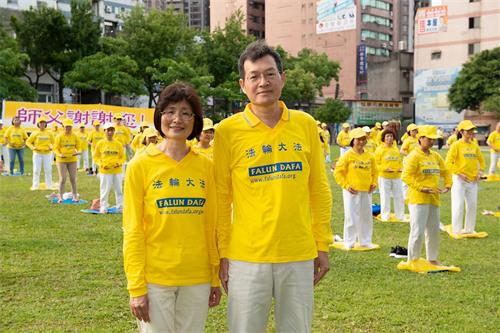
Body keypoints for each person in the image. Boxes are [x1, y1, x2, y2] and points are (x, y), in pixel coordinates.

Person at [214, 41, 332, 333]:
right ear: (243, 85)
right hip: (246, 256)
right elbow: (219, 197)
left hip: (298, 252)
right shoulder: (226, 132)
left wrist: (322, 244)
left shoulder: (305, 124)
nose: (263, 82)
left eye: (269, 74)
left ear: (283, 77)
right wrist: (220, 252)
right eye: (254, 76)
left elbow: (318, 188)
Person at [123, 83, 221, 332]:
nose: (177, 119)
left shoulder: (206, 167)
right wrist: (136, 287)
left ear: (195, 120)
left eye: (186, 113)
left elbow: (211, 226)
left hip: (196, 277)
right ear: (159, 116)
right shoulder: (140, 165)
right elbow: (133, 230)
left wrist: (213, 277)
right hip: (156, 278)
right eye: (170, 111)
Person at [402, 125, 451, 265]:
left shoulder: (435, 156)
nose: (431, 142)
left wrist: (448, 185)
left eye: (433, 140)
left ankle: (433, 258)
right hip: (418, 199)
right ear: (420, 138)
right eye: (429, 139)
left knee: (434, 230)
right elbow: (406, 176)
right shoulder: (414, 156)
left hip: (434, 197)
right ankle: (413, 259)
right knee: (417, 230)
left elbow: (446, 171)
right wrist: (421, 188)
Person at [334, 127, 378, 249]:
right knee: (351, 216)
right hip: (351, 191)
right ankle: (349, 241)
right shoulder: (347, 155)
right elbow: (338, 172)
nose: (361, 142)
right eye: (358, 139)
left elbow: (375, 172)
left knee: (366, 217)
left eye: (363, 139)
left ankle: (365, 241)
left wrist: (374, 183)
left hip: (366, 190)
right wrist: (346, 185)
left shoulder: (370, 156)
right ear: (353, 141)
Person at [445, 120, 485, 236]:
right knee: (458, 205)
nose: (471, 132)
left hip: (472, 181)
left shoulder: (474, 145)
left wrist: (480, 172)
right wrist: (459, 174)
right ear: (461, 132)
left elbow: (481, 160)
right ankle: (457, 230)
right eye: (468, 130)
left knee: (472, 205)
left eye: (472, 130)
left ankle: (469, 229)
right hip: (459, 180)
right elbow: (448, 162)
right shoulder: (456, 145)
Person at [93, 123, 125, 214]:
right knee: (104, 190)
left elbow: (122, 157)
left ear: (114, 131)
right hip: (105, 171)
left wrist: (118, 163)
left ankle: (120, 207)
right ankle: (104, 207)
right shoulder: (100, 143)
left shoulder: (118, 144)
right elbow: (96, 157)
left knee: (119, 190)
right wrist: (101, 164)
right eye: (108, 130)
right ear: (105, 131)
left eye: (112, 130)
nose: (110, 132)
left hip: (117, 170)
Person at [374, 129, 404, 221]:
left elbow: (399, 161)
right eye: (387, 136)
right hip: (384, 177)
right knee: (385, 197)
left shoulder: (395, 149)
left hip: (397, 177)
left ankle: (400, 216)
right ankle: (385, 216)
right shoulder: (380, 149)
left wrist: (401, 168)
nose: (389, 138)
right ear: (384, 138)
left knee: (399, 196)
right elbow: (375, 164)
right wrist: (385, 169)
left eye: (391, 136)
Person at [53, 118, 81, 203]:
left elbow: (79, 147)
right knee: (63, 178)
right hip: (62, 160)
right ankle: (60, 196)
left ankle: (75, 196)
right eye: (66, 127)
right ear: (63, 127)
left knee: (73, 178)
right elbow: (55, 148)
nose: (68, 129)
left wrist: (77, 152)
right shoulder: (59, 136)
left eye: (69, 127)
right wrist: (59, 154)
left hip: (72, 159)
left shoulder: (75, 136)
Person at [26, 116, 54, 189]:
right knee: (36, 170)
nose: (42, 124)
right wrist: (33, 147)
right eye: (41, 123)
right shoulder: (35, 133)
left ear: (45, 124)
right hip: (37, 154)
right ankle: (35, 186)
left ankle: (49, 186)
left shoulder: (49, 133)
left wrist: (52, 147)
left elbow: (55, 143)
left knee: (48, 170)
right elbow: (28, 142)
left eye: (43, 123)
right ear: (38, 124)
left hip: (47, 154)